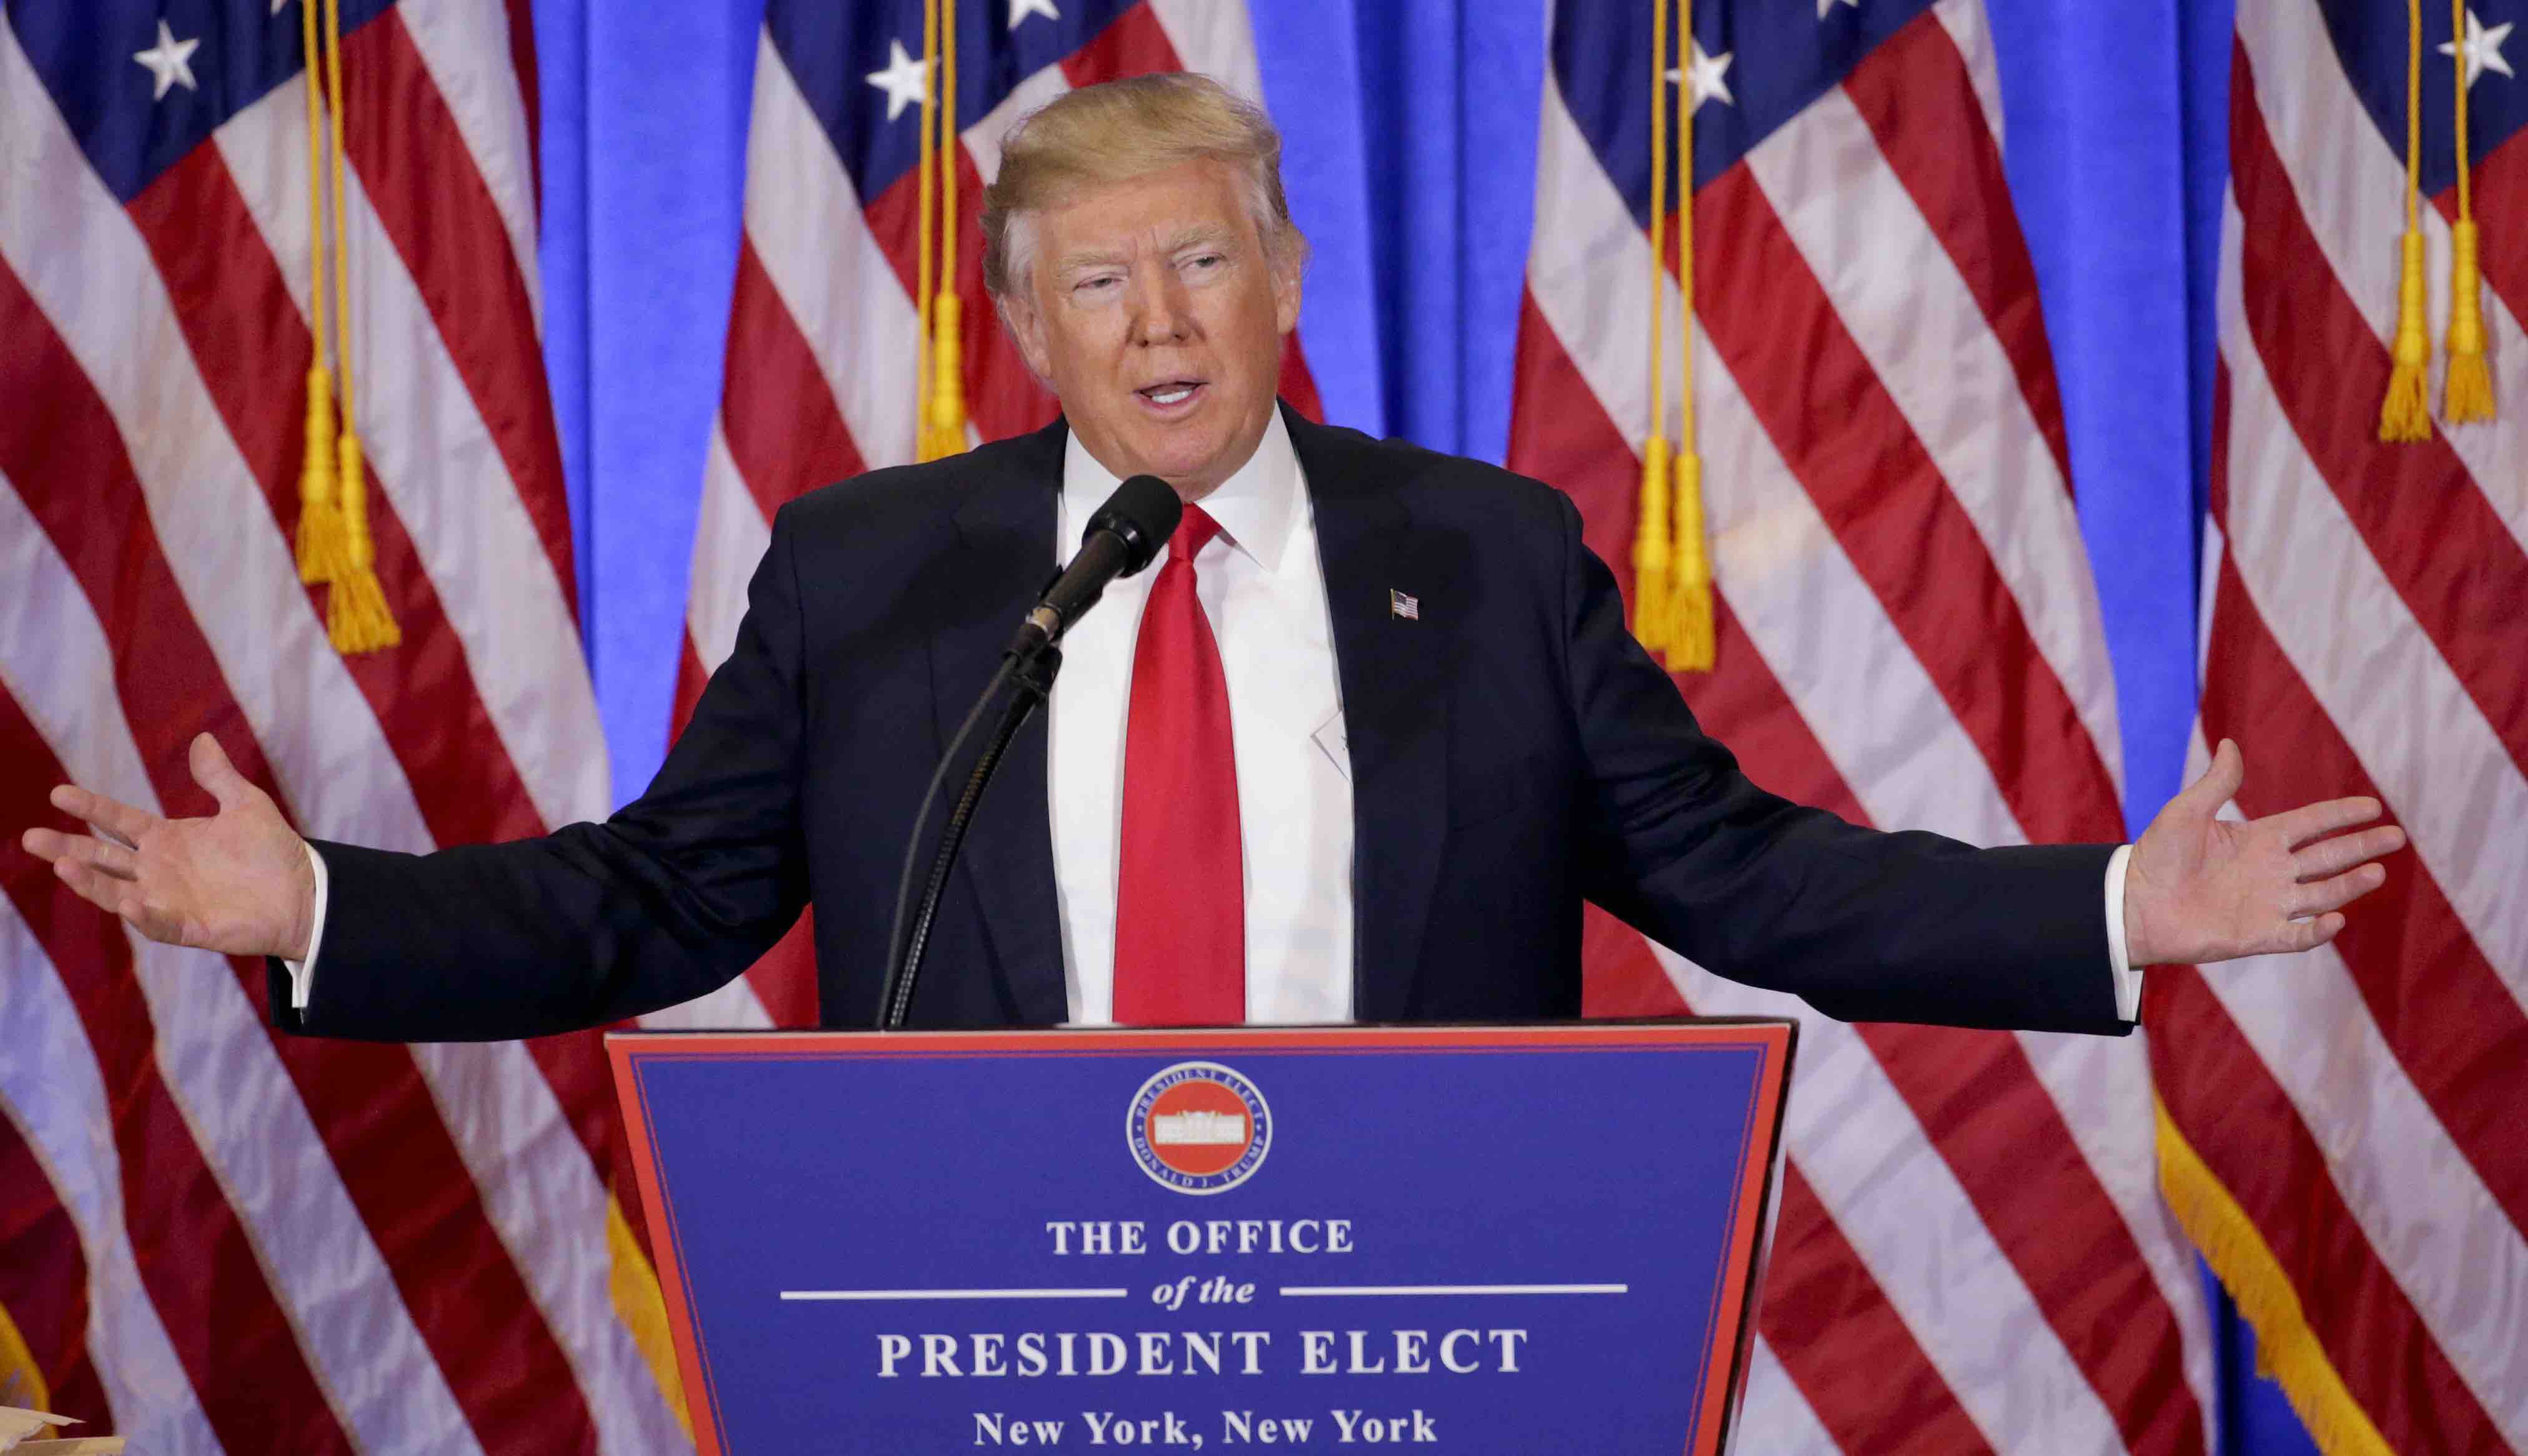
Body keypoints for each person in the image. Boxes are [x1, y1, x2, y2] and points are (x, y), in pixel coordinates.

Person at [20, 75, 2402, 1041]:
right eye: (1098, 285)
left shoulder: (1484, 556)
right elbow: (653, 896)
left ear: (1280, 285)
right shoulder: (873, 573)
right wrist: (316, 904)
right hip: (993, 1330)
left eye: (1201, 268)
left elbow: (1748, 877)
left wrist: (2120, 907)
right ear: (1025, 327)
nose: (1158, 326)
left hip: (1400, 1328)